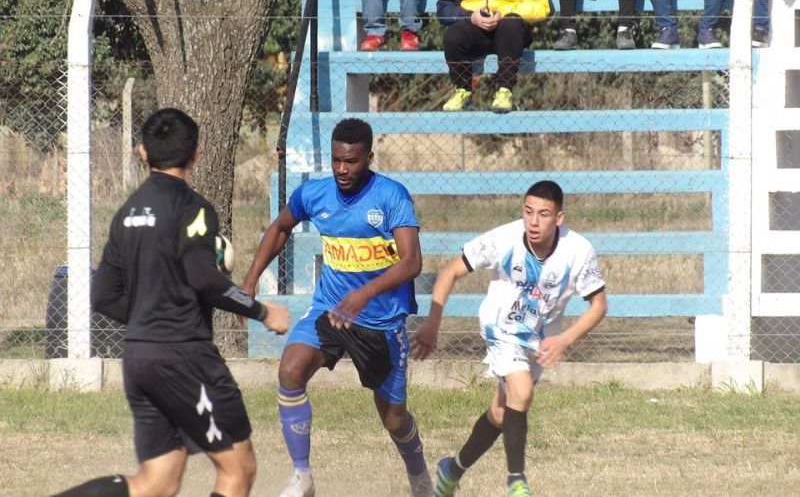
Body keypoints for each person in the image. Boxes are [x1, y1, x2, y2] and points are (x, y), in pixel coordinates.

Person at [53, 108, 291, 497]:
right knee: (238, 469)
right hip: (185, 357)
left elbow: (102, 296)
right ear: (196, 153)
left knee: (156, 484)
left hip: (139, 358)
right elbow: (202, 277)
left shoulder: (126, 215)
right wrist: (262, 311)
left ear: (142, 152)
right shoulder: (193, 208)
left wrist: (151, 314)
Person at [241, 118, 433, 497]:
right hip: (330, 310)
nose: (343, 170)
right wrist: (249, 283)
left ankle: (420, 478)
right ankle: (302, 477)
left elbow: (412, 262)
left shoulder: (392, 196)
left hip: (381, 321)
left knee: (394, 420)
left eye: (352, 162)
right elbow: (280, 227)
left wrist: (366, 293)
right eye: (336, 161)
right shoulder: (314, 194)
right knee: (291, 371)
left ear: (369, 158)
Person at [411, 181, 608, 497]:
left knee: (503, 413)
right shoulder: (503, 239)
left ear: (559, 218)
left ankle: (451, 471)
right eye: (528, 211)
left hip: (539, 340)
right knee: (522, 390)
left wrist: (565, 339)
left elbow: (599, 305)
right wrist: (433, 320)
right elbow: (450, 272)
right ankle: (516, 481)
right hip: (500, 329)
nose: (533, 221)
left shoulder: (579, 251)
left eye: (543, 214)